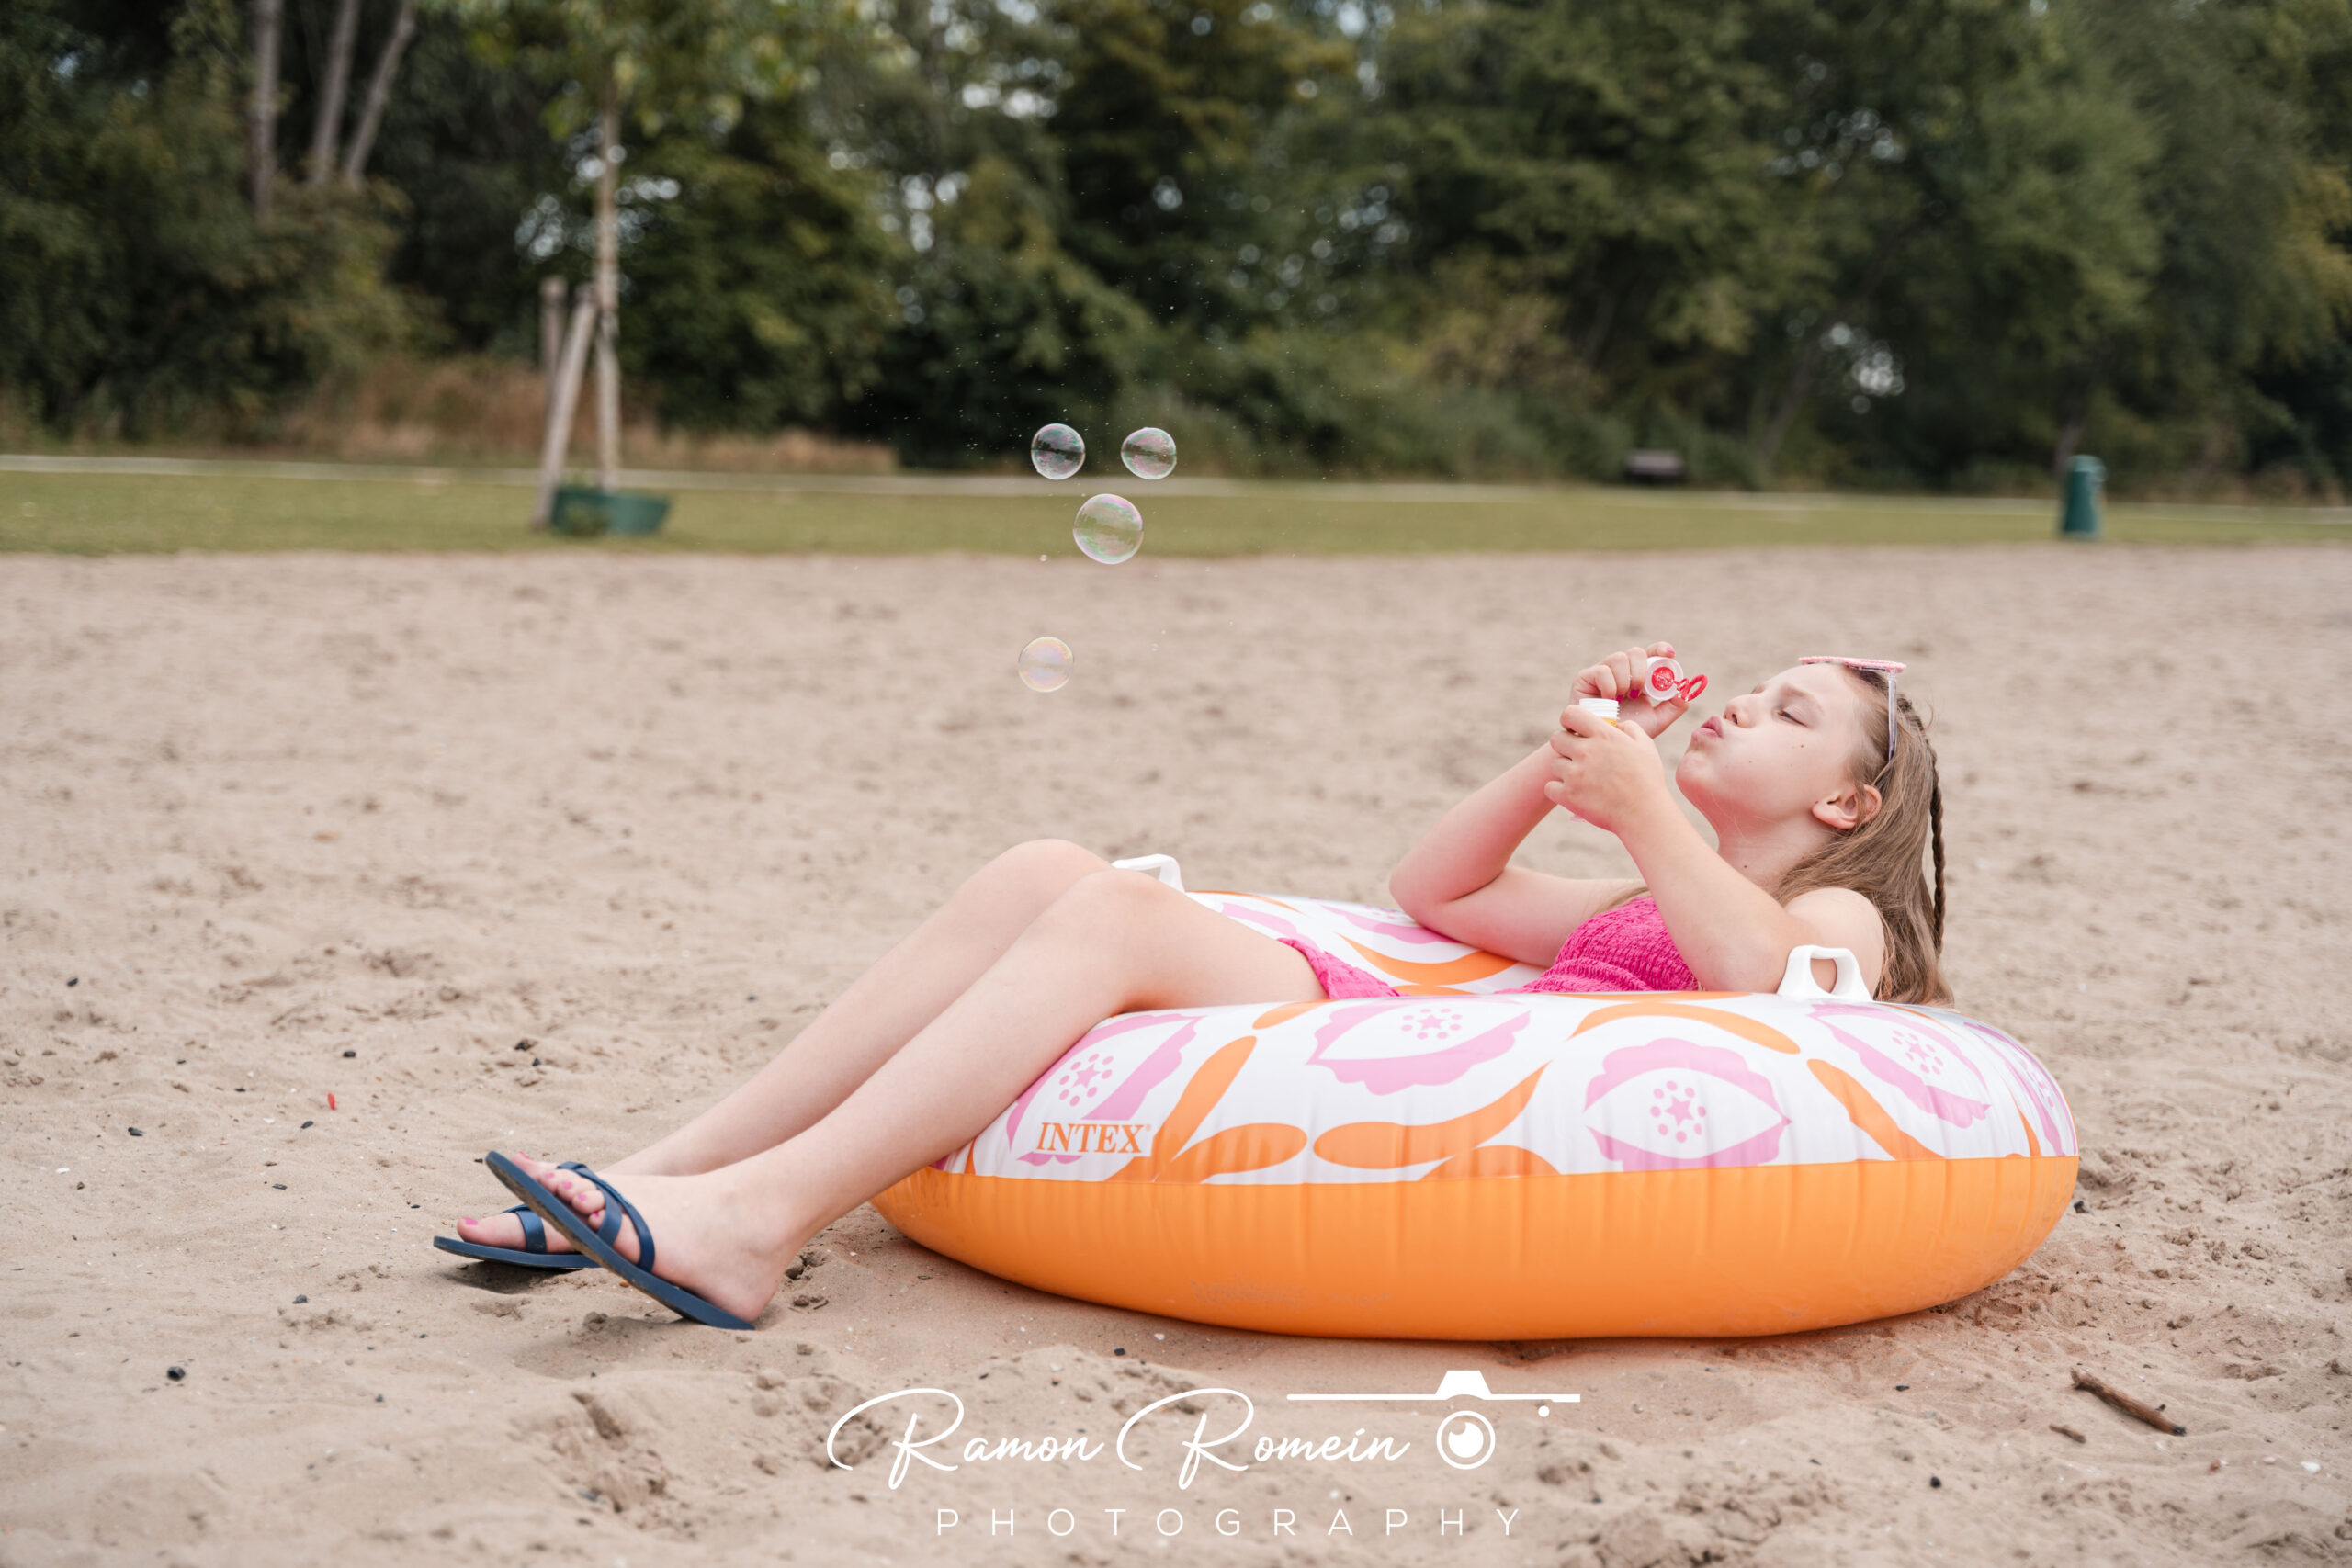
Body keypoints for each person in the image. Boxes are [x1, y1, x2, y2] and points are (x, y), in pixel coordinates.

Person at [445, 642, 1948, 1327]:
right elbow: (1438, 892)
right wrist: (1562, 757)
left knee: (1115, 915)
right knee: (1044, 868)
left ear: (1847, 803)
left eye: (1788, 713)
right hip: (1397, 1040)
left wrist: (1648, 812)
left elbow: (1771, 992)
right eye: (1754, 688)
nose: (1741, 704)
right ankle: (668, 1171)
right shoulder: (1638, 896)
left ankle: (752, 1226)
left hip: (1445, 1108)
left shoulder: (1832, 916)